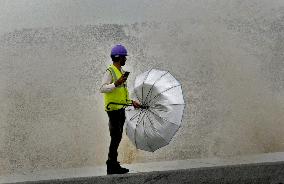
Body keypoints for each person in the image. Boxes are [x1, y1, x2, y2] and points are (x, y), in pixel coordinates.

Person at [100, 44, 140, 175]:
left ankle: (113, 164)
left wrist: (131, 102)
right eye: (124, 57)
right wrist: (116, 83)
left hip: (120, 108)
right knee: (115, 137)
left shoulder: (121, 73)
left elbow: (121, 95)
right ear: (118, 58)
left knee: (117, 137)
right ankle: (111, 165)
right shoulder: (110, 71)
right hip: (113, 109)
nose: (126, 60)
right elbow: (102, 88)